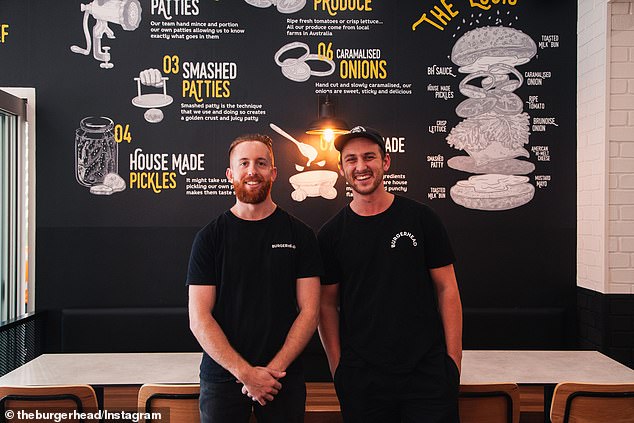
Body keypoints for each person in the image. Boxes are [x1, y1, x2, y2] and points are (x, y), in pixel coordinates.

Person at [318, 126, 463, 423]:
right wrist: (339, 368)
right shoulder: (331, 234)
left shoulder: (422, 218)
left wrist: (453, 362)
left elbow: (447, 289)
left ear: (385, 162)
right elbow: (326, 304)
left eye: (369, 157)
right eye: (351, 159)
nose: (361, 167)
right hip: (362, 378)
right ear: (341, 167)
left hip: (427, 373)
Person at [187, 134, 322, 423]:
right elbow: (199, 317)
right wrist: (247, 374)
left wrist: (272, 372)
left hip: (282, 378)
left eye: (261, 163)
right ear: (230, 174)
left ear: (273, 172)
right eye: (244, 163)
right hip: (222, 379)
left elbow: (310, 312)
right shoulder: (209, 238)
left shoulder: (300, 235)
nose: (252, 171)